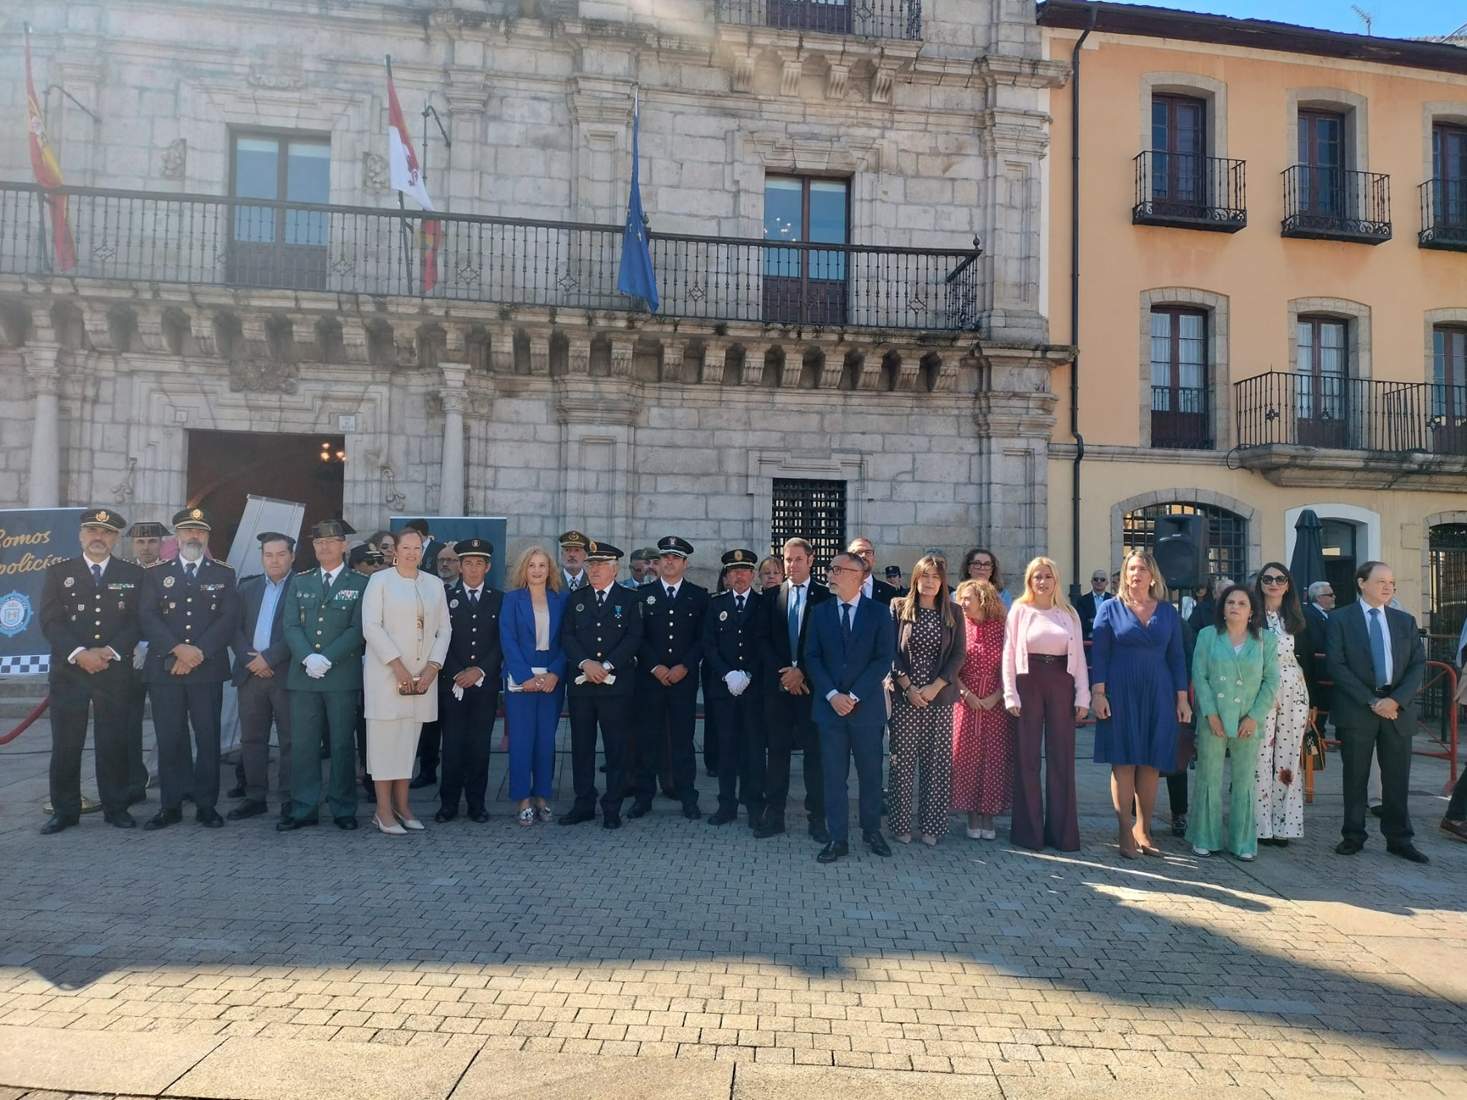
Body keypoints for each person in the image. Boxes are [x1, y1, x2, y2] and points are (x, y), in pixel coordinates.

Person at [38, 509, 144, 834]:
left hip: (113, 671)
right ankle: (65, 810)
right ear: (81, 535)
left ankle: (116, 807)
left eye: (107, 532)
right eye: (93, 531)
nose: (99, 537)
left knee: (113, 741)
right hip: (70, 671)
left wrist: (109, 652)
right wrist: (79, 653)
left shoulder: (133, 574)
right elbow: (50, 621)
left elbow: (138, 621)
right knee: (67, 744)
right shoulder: (58, 573)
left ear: (115, 539)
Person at [140, 508, 240, 831]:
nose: (193, 537)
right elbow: (147, 616)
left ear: (207, 537)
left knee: (208, 737)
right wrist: (177, 649)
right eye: (187, 531)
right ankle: (170, 804)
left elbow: (228, 619)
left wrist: (197, 651)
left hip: (206, 668)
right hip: (165, 669)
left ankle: (207, 805)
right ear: (177, 537)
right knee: (170, 737)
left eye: (199, 532)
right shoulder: (156, 573)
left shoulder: (223, 574)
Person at [1326, 561, 1428, 863]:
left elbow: (1417, 665)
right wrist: (1371, 701)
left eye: (1391, 582)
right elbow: (1336, 665)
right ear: (1361, 583)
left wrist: (1395, 700)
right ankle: (1353, 835)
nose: (1388, 587)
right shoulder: (1341, 619)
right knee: (1355, 776)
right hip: (1359, 708)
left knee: (1397, 778)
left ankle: (1399, 839)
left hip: (1397, 710)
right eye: (1381, 581)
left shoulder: (1404, 621)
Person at [1091, 550, 1190, 859]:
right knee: (1123, 761)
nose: (1137, 574)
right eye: (1132, 568)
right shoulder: (1109, 608)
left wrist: (1182, 699)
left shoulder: (1168, 612)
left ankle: (1144, 830)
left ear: (1153, 576)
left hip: (1159, 692)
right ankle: (1124, 828)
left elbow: (1177, 657)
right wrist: (1098, 693)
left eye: (1143, 569)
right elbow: (1100, 655)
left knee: (1151, 762)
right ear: (1125, 574)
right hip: (1120, 692)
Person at [277, 519, 369, 832]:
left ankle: (343, 807)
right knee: (304, 744)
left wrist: (326, 658)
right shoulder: (301, 581)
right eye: (318, 543)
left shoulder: (360, 582)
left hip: (340, 674)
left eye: (331, 542)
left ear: (344, 546)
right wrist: (308, 657)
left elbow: (359, 628)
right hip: (304, 676)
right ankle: (304, 807)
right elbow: (290, 626)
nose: (324, 547)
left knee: (343, 743)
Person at [805, 552, 896, 863]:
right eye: (830, 569)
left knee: (870, 774)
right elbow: (812, 657)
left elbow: (883, 659)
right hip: (830, 709)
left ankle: (871, 831)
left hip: (866, 709)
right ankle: (837, 837)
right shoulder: (819, 612)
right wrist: (832, 694)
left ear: (858, 576)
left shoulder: (880, 613)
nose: (831, 574)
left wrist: (853, 695)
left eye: (837, 570)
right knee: (833, 776)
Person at [361, 528, 451, 835]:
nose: (412, 553)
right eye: (407, 547)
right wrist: (397, 667)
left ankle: (403, 805)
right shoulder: (380, 582)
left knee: (407, 744)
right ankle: (382, 810)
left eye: (417, 547)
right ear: (395, 551)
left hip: (422, 678)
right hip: (388, 676)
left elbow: (444, 630)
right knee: (384, 744)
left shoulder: (434, 585)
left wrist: (432, 668)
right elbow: (371, 627)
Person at [1003, 556, 1090, 852]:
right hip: (1028, 683)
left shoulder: (1068, 613)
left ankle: (1062, 834)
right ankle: (1029, 834)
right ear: (1030, 581)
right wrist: (1010, 693)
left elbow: (1079, 656)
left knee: (1062, 758)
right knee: (1027, 758)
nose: (1042, 581)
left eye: (1048, 576)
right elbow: (1009, 653)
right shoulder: (1019, 610)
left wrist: (1083, 696)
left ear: (1056, 580)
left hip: (1061, 683)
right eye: (1037, 576)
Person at [1189, 585, 1279, 861]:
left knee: (1243, 781)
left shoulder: (1266, 640)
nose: (1235, 607)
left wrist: (1254, 716)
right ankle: (1205, 837)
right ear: (1222, 607)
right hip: (1213, 717)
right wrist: (1210, 714)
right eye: (1230, 602)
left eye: (1242, 603)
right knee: (1208, 777)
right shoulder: (1207, 636)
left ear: (1252, 611)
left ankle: (1242, 842)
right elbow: (1199, 675)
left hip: (1248, 720)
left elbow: (1272, 680)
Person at [560, 540, 643, 828]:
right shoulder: (576, 598)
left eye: (600, 565)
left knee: (615, 749)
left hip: (615, 687)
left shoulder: (629, 599)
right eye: (591, 564)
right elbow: (567, 636)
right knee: (581, 747)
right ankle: (583, 803)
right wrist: (586, 664)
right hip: (583, 685)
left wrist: (606, 665)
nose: (594, 570)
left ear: (614, 569)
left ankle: (612, 807)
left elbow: (634, 639)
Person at [755, 537, 832, 842]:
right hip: (779, 689)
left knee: (815, 756)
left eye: (798, 559)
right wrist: (786, 675)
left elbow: (828, 645)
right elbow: (761, 640)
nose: (791, 565)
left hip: (812, 691)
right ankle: (774, 815)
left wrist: (803, 674)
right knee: (777, 753)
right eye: (787, 559)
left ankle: (817, 818)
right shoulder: (772, 596)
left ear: (811, 560)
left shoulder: (825, 597)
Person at [887, 555, 966, 846]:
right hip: (906, 696)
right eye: (925, 576)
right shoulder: (898, 607)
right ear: (916, 579)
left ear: (943, 581)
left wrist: (935, 686)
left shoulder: (954, 613)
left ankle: (932, 827)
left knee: (937, 764)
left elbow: (959, 654)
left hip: (939, 696)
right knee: (902, 763)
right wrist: (907, 686)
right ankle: (900, 825)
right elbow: (890, 650)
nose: (930, 582)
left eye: (935, 577)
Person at [629, 536, 709, 819]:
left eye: (676, 558)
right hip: (650, 680)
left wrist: (684, 666)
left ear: (685, 564)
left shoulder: (698, 596)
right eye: (665, 557)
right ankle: (643, 796)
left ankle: (688, 796)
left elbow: (703, 638)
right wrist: (655, 667)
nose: (670, 562)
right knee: (647, 740)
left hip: (683, 680)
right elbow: (636, 635)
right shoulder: (643, 594)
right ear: (658, 562)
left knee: (683, 741)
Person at [228, 532, 296, 821]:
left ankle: (289, 798)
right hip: (250, 675)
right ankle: (255, 796)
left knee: (290, 740)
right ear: (262, 557)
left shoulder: (302, 587)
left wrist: (269, 658)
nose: (275, 560)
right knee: (252, 740)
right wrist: (250, 659)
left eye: (281, 554)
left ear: (292, 556)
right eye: (269, 554)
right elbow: (233, 629)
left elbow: (301, 632)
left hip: (286, 675)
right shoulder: (247, 588)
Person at [436, 538, 503, 824]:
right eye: (467, 563)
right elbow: (440, 639)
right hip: (452, 684)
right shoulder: (444, 597)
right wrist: (456, 672)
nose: (473, 569)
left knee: (479, 746)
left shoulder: (499, 599)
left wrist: (479, 671)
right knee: (451, 746)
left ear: (487, 567)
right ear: (459, 566)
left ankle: (477, 803)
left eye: (479, 563)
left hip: (484, 685)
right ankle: (448, 803)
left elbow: (502, 641)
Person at [501, 546, 567, 827]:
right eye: (532, 565)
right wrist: (524, 675)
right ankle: (522, 799)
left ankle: (542, 796)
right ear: (523, 570)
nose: (537, 570)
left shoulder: (562, 599)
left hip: (551, 678)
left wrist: (555, 672)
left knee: (545, 742)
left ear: (550, 569)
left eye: (542, 565)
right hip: (521, 678)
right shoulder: (512, 599)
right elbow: (508, 638)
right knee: (521, 741)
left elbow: (569, 639)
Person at [702, 549, 767, 826]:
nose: (739, 576)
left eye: (744, 570)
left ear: (752, 575)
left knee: (753, 750)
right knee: (726, 749)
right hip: (724, 689)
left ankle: (754, 807)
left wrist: (748, 673)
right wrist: (728, 674)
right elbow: (708, 643)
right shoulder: (715, 605)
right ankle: (726, 805)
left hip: (753, 691)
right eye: (733, 571)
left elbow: (766, 644)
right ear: (726, 577)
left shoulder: (765, 605)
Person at [1253, 562, 1311, 847]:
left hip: (1294, 690)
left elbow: (1310, 660)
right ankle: (1260, 824)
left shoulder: (1298, 618)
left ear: (1288, 584)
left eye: (1280, 579)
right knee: (1260, 757)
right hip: (1261, 689)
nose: (1273, 584)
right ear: (1260, 583)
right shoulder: (1251, 616)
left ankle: (1283, 824)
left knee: (1288, 758)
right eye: (1267, 579)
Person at [950, 579, 1011, 840]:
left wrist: (998, 695)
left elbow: (1011, 664)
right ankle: (972, 815)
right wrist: (966, 693)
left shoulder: (1002, 627)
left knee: (994, 760)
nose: (962, 604)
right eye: (961, 598)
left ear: (983, 600)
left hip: (996, 703)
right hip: (966, 702)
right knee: (966, 759)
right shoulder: (959, 627)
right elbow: (951, 666)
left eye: (967, 598)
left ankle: (989, 814)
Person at [123, 519, 167, 805]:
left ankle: (174, 781)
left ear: (162, 543)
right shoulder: (122, 572)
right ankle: (132, 784)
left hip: (161, 657)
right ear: (132, 544)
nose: (146, 547)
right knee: (127, 725)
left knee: (168, 723)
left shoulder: (170, 573)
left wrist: (149, 644)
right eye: (140, 542)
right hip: (126, 660)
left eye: (152, 541)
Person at [1302, 580, 1333, 720]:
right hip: (1317, 673)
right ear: (1319, 597)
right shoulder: (1309, 614)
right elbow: (1316, 641)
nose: (1334, 597)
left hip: (1326, 674)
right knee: (1317, 718)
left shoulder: (1327, 614)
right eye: (1330, 594)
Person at [847, 537, 900, 605]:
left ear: (874, 558)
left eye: (868, 552)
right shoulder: (837, 589)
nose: (863, 556)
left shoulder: (890, 591)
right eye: (858, 552)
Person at [1076, 568, 1111, 641]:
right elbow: (1081, 622)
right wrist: (1104, 623)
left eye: (1102, 579)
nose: (1099, 581)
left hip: (1109, 641)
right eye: (1096, 579)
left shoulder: (1113, 600)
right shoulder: (1082, 600)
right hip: (1088, 643)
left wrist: (1092, 620)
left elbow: (1114, 622)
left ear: (1107, 582)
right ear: (1091, 582)